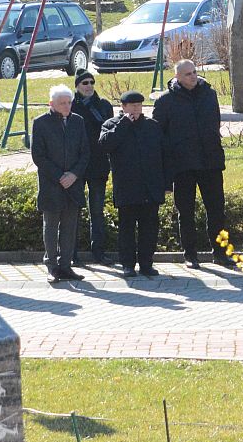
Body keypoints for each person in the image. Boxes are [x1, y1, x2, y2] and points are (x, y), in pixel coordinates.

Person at [153, 60, 231, 267]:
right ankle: (190, 255)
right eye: (188, 74)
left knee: (216, 210)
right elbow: (159, 135)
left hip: (210, 162)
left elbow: (215, 123)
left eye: (195, 72)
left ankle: (220, 253)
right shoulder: (165, 101)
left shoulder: (209, 94)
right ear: (177, 77)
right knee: (186, 212)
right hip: (182, 165)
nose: (193, 76)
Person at [99, 90, 166, 277]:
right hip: (127, 186)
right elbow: (105, 145)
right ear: (123, 107)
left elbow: (163, 155)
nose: (136, 109)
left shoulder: (152, 126)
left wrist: (166, 184)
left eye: (139, 105)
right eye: (132, 106)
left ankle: (146, 263)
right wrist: (124, 124)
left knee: (149, 228)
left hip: (150, 186)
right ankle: (128, 264)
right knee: (127, 228)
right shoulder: (111, 125)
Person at [31, 84, 89, 283]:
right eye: (62, 103)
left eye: (69, 102)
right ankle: (52, 267)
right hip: (51, 184)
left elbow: (85, 153)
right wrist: (59, 176)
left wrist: (73, 175)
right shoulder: (40, 123)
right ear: (51, 104)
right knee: (50, 227)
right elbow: (38, 156)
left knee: (69, 227)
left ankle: (66, 266)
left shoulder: (78, 121)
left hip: (73, 184)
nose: (66, 106)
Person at [71, 71, 115, 264]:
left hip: (98, 166)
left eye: (91, 82)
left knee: (96, 211)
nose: (88, 86)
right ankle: (70, 254)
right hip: (77, 168)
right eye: (84, 83)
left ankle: (99, 252)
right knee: (74, 211)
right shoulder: (70, 106)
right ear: (77, 86)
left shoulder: (103, 105)